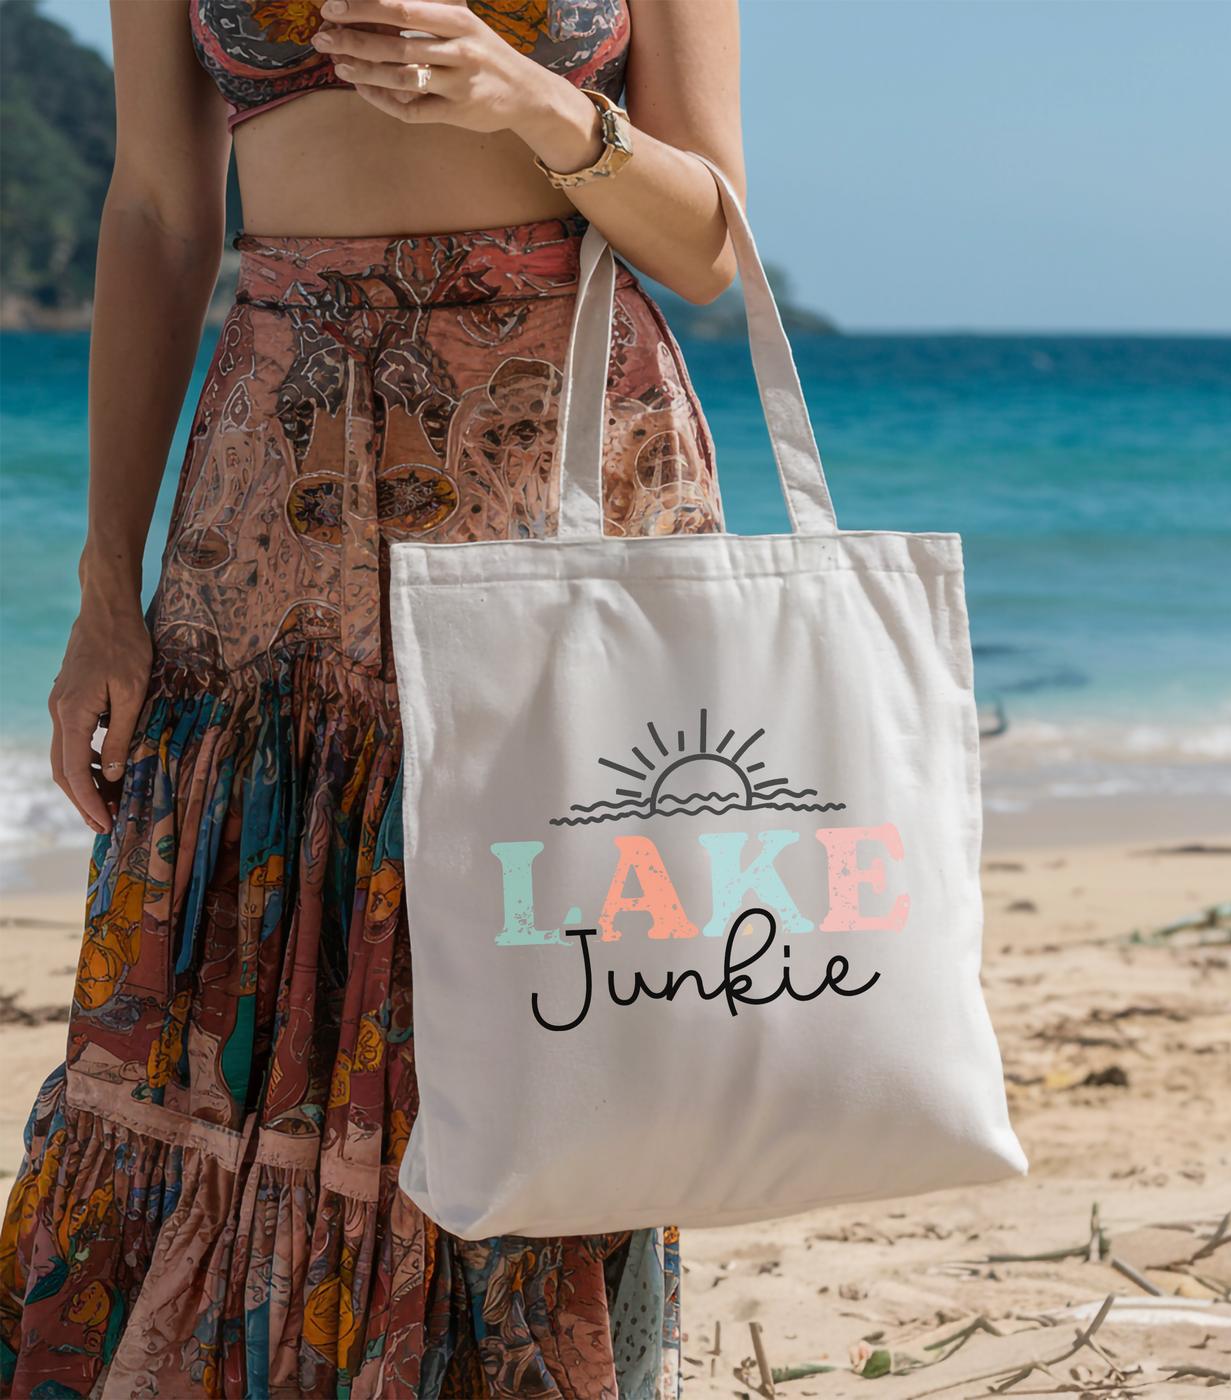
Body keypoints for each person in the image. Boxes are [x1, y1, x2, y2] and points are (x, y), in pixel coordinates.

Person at [0, 0, 741, 1393]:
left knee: (558, 981)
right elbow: (162, 209)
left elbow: (706, 240)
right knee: (231, 980)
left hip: (561, 462)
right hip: (269, 490)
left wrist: (526, 94)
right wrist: (107, 585)